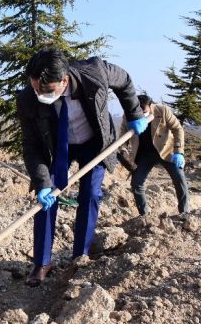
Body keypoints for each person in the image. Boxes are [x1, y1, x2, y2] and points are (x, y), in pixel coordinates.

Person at [17, 48, 147, 287]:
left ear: (64, 81)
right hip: (57, 147)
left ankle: (80, 257)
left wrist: (134, 113)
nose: (38, 94)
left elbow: (125, 81)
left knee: (90, 195)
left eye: (45, 90)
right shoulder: (28, 99)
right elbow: (31, 145)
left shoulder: (95, 72)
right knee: (46, 198)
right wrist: (42, 183)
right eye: (35, 88)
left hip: (95, 144)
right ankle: (42, 261)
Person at [120, 95, 189, 216]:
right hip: (143, 153)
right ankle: (144, 215)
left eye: (144, 111)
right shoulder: (128, 115)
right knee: (136, 183)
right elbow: (122, 136)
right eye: (139, 111)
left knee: (179, 179)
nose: (142, 114)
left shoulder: (162, 110)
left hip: (165, 150)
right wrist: (124, 152)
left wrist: (179, 151)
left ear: (150, 106)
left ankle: (184, 212)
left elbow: (177, 129)